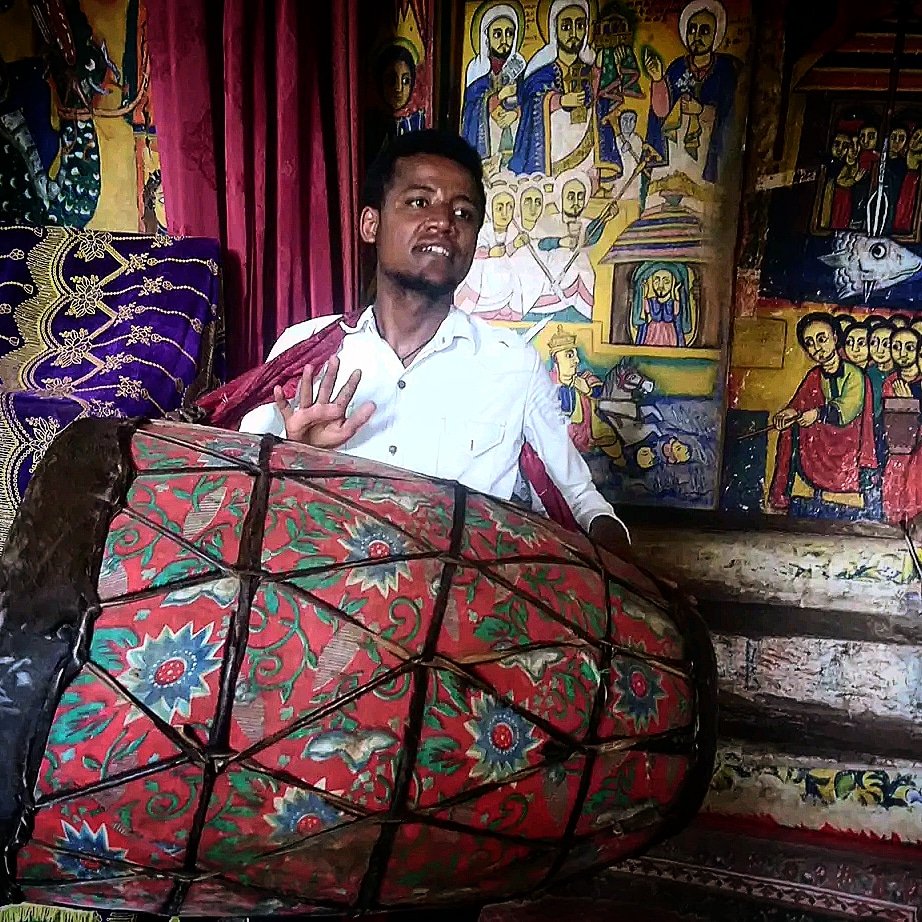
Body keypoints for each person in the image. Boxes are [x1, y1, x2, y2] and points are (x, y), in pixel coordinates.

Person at [220, 129, 630, 556]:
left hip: (460, 611)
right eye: (419, 202)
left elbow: (584, 505)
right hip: (322, 608)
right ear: (370, 224)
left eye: (464, 213)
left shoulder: (513, 367)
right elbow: (241, 502)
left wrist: (635, 579)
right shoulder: (303, 354)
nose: (444, 222)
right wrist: (296, 456)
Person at [768, 312, 876, 515]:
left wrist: (817, 414)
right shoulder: (814, 376)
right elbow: (799, 404)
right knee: (789, 432)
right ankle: (780, 497)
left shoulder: (855, 374)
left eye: (822, 339)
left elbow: (848, 410)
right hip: (820, 443)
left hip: (847, 443)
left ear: (835, 338)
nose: (817, 347)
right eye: (810, 343)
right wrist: (787, 414)